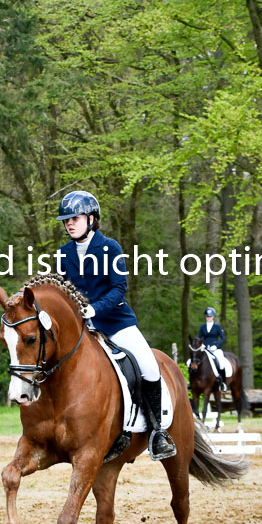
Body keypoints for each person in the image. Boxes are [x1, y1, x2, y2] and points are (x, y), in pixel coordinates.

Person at [56, 190, 176, 461]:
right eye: (66, 220)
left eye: (74, 218)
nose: (69, 224)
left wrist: (94, 308)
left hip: (115, 322)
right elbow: (62, 291)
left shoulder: (111, 248)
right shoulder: (63, 254)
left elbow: (119, 288)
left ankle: (158, 432)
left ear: (91, 218)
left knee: (148, 366)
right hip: (82, 329)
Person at [196, 306, 227, 390]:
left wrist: (216, 346)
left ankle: (223, 382)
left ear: (213, 317)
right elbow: (200, 338)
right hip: (205, 348)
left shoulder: (217, 327)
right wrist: (200, 345)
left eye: (210, 316)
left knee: (221, 362)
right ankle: (194, 381)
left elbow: (223, 338)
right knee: (193, 361)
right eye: (207, 316)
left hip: (215, 348)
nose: (208, 318)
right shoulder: (202, 327)